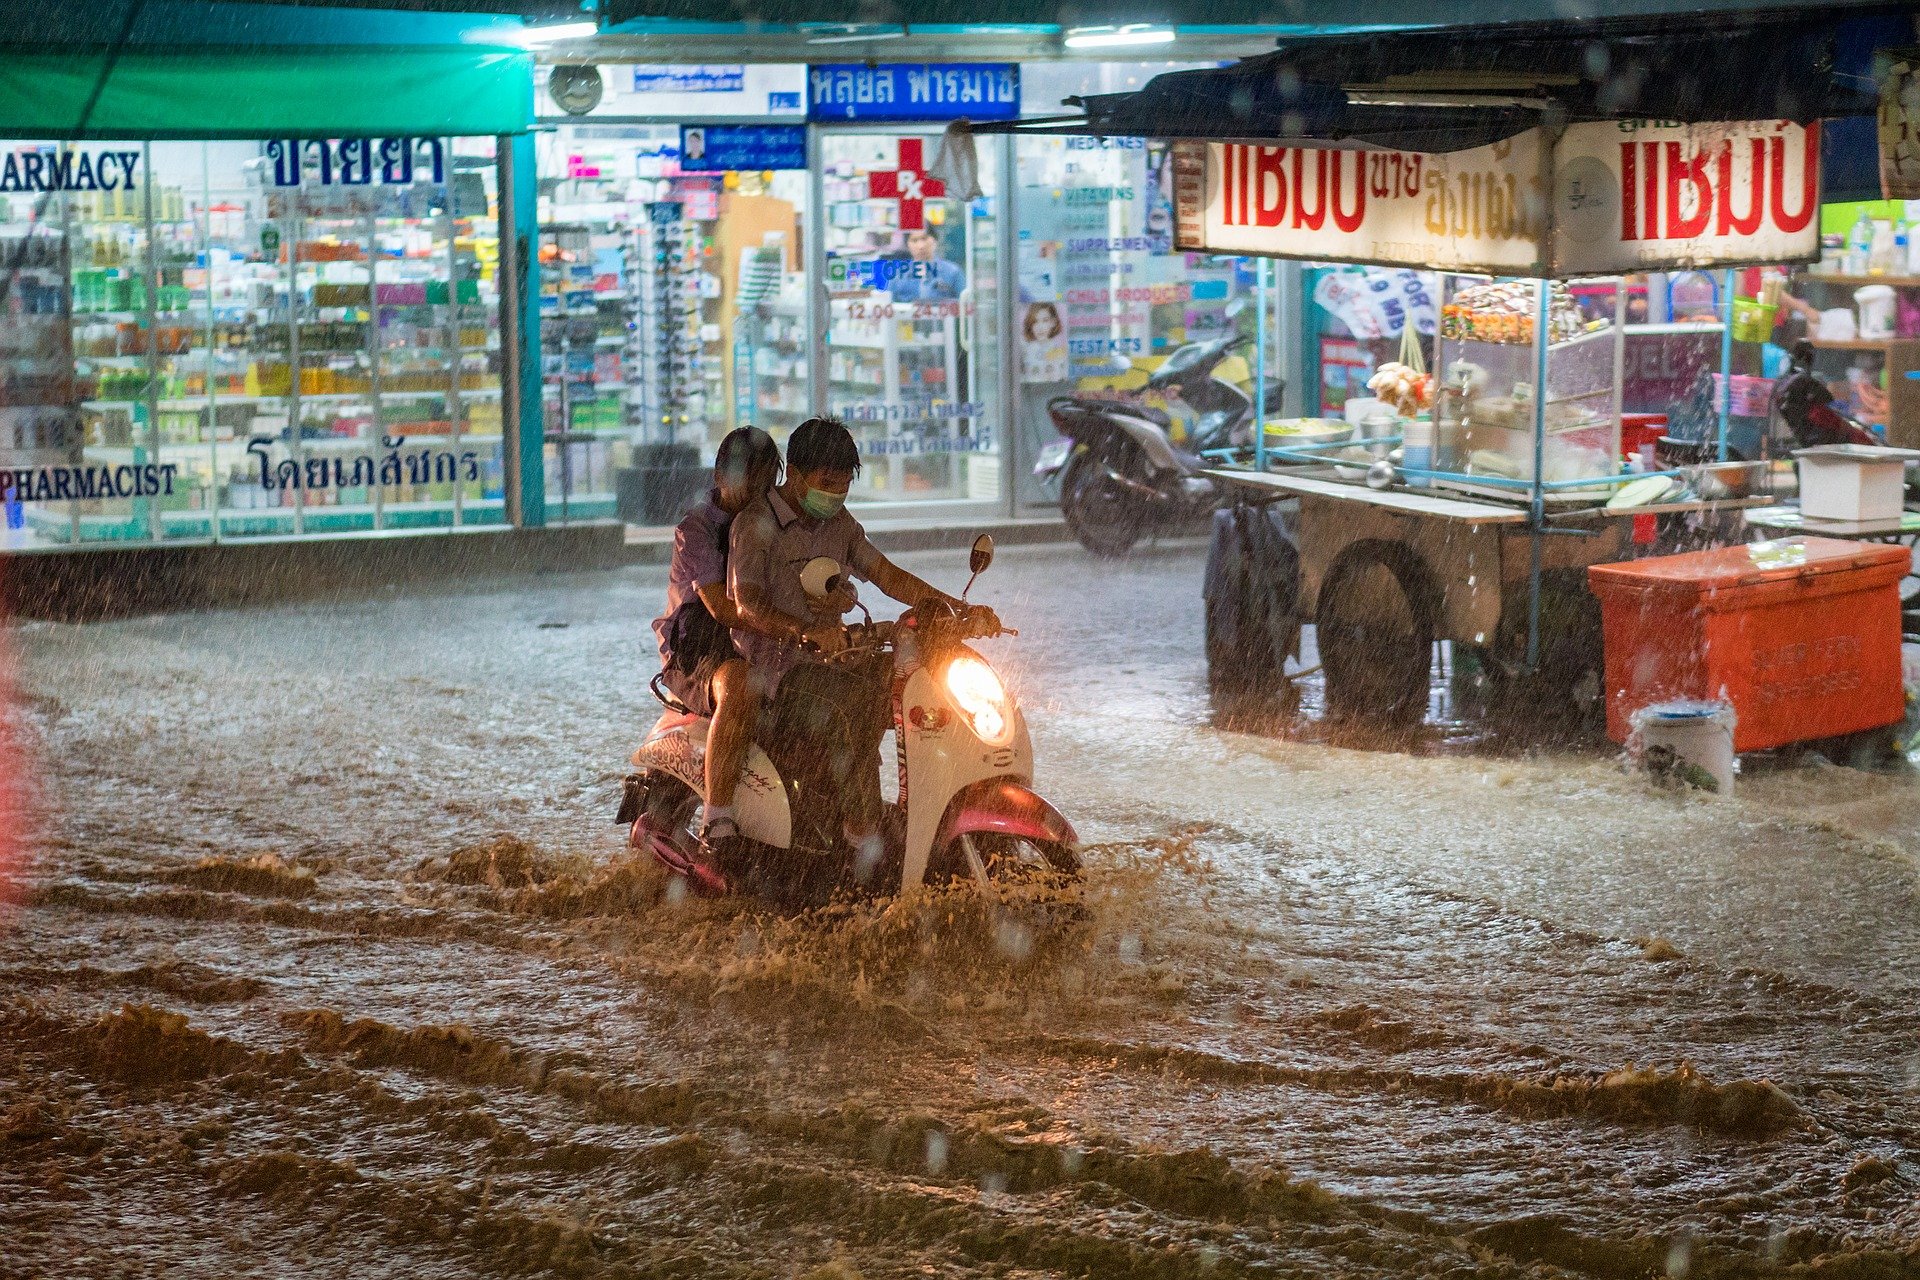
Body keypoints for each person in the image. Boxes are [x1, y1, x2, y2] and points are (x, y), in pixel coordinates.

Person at [727, 415, 972, 856]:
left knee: (917, 685)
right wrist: (804, 632)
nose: (836, 494)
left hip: (834, 665)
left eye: (844, 484)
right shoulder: (755, 524)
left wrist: (954, 608)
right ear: (796, 475)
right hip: (777, 678)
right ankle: (863, 839)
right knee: (851, 709)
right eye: (827, 482)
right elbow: (747, 604)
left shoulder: (838, 522)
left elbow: (885, 573)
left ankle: (923, 814)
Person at [650, 426, 784, 853]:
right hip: (699, 646)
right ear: (719, 476)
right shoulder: (698, 530)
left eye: (767, 483)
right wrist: (795, 627)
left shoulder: (777, 525)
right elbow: (723, 610)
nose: (757, 494)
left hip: (757, 635)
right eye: (749, 481)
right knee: (741, 687)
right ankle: (717, 817)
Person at [887, 227, 965, 303]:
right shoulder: (898, 275)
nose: (921, 246)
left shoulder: (952, 272)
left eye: (924, 238)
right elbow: (889, 306)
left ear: (935, 239)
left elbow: (964, 305)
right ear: (907, 245)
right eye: (914, 240)